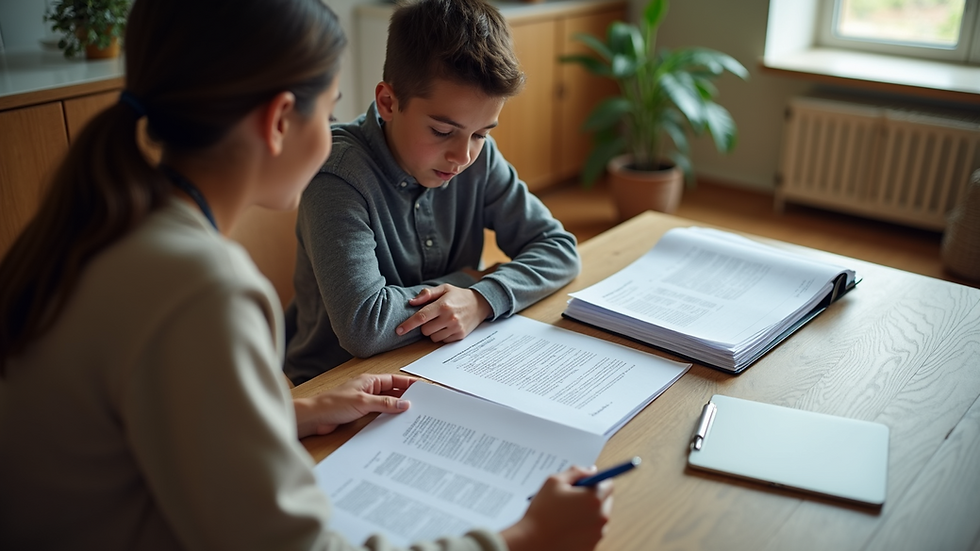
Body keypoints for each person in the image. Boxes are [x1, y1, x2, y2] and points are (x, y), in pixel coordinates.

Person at [0, 0, 611, 550]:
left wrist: (285, 415)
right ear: (280, 120)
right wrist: (524, 538)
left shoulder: (102, 225)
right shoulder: (206, 290)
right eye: (331, 108)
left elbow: (155, 424)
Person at [283, 0, 581, 385]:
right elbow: (364, 325)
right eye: (442, 131)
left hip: (446, 360)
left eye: (481, 133)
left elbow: (559, 248)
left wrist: (482, 298)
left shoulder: (479, 159)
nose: (463, 156)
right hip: (336, 383)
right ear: (388, 102)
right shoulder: (338, 175)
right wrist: (468, 279)